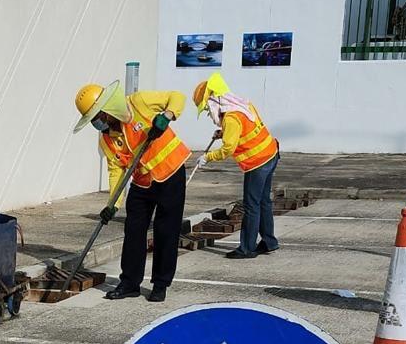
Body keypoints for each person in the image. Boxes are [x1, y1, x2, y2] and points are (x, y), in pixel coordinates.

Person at [73, 80, 189, 302]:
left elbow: (177, 96)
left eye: (96, 117)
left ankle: (160, 284)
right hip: (142, 182)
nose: (96, 123)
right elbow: (116, 172)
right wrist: (112, 205)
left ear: (106, 110)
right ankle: (129, 283)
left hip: (170, 173)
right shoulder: (107, 139)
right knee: (134, 230)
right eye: (92, 121)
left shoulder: (138, 103)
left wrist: (166, 115)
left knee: (166, 230)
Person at [192, 73, 280, 260]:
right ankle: (270, 242)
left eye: (208, 109)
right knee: (264, 202)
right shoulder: (242, 105)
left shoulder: (231, 118)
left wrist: (207, 157)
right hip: (271, 153)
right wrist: (223, 132)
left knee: (251, 206)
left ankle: (247, 248)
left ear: (214, 101)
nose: (209, 113)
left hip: (257, 163)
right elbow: (242, 129)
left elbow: (227, 149)